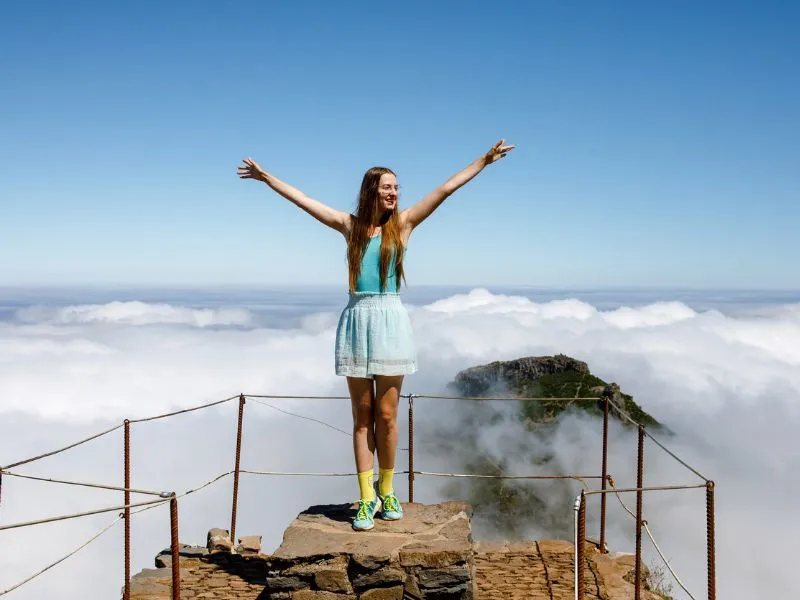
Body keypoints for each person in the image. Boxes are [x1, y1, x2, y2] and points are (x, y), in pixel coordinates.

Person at [237, 139, 515, 531]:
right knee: (362, 416)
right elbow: (303, 199)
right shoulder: (350, 228)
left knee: (386, 415)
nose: (394, 193)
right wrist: (267, 179)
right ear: (371, 190)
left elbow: (445, 189)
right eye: (387, 187)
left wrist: (484, 161)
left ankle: (387, 490)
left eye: (397, 188)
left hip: (389, 319)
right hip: (357, 317)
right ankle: (366, 498)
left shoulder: (402, 226)